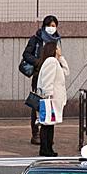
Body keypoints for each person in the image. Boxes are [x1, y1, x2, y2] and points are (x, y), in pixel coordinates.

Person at [22, 15, 63, 147]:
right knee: (38, 104)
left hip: (52, 75)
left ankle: (47, 135)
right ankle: (36, 133)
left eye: (54, 25)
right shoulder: (36, 39)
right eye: (49, 25)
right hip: (39, 75)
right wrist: (39, 62)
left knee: (50, 105)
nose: (52, 28)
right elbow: (26, 54)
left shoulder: (57, 40)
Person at [34, 17, 70, 157]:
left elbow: (66, 71)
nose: (59, 50)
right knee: (47, 125)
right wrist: (48, 98)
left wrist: (61, 58)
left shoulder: (54, 61)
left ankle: (48, 148)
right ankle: (46, 149)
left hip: (52, 99)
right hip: (50, 99)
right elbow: (47, 82)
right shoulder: (50, 62)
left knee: (49, 124)